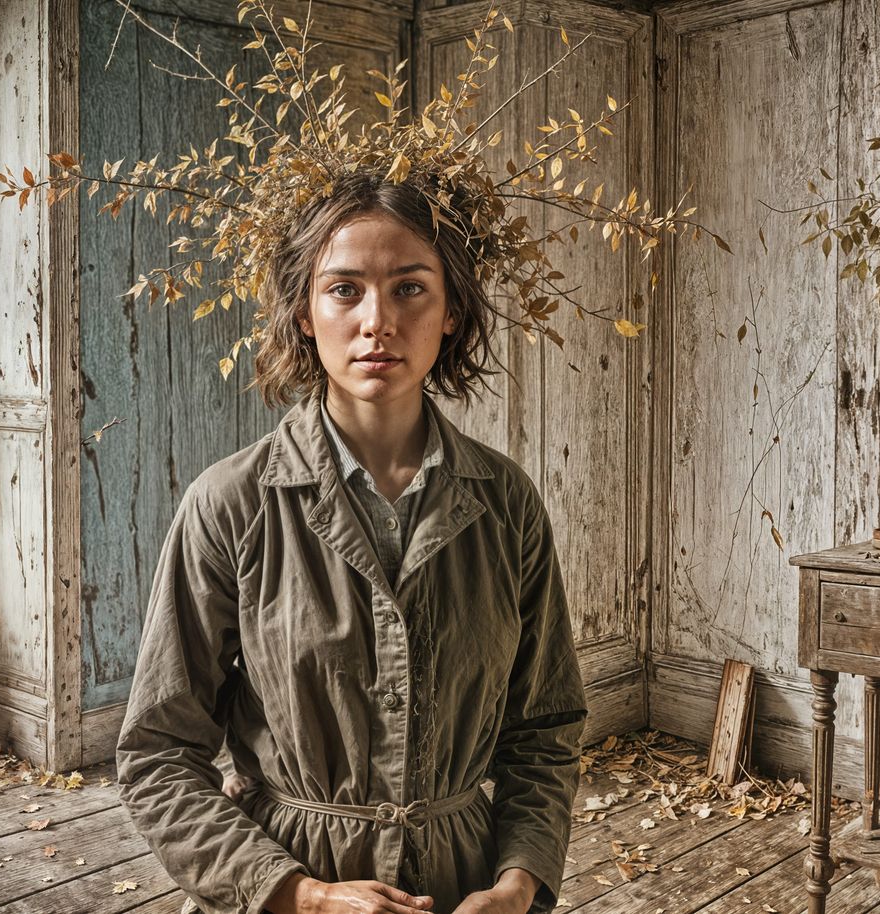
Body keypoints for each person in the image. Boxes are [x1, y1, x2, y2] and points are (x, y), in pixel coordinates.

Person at [115, 172, 590, 914]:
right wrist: (300, 896)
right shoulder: (231, 504)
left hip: (462, 886)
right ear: (304, 311)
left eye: (409, 289)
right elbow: (157, 755)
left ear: (454, 310)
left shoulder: (506, 504)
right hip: (281, 885)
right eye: (344, 290)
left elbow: (545, 733)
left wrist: (516, 884)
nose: (377, 322)